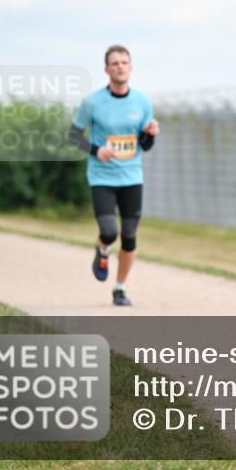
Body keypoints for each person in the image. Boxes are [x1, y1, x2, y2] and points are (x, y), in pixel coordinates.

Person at [68, 45, 159, 306]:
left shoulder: (142, 102)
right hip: (102, 177)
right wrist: (98, 150)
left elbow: (144, 144)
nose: (120, 67)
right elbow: (73, 136)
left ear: (131, 67)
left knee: (129, 237)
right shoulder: (93, 102)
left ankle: (119, 288)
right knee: (109, 231)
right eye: (115, 63)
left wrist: (150, 134)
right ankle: (103, 249)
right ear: (107, 69)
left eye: (124, 62)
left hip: (132, 177)